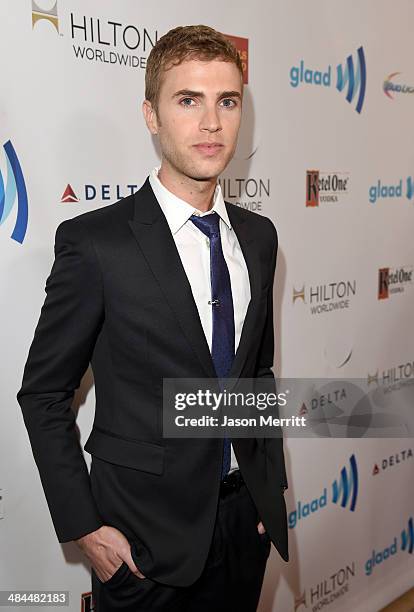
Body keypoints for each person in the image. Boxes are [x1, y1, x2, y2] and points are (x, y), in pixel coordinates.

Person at [17, 24, 288, 612]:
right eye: (188, 100)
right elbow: (43, 394)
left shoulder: (260, 238)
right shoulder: (97, 243)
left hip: (244, 526)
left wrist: (272, 495)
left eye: (227, 101)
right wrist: (85, 527)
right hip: (143, 548)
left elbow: (257, 377)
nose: (211, 123)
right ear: (151, 114)